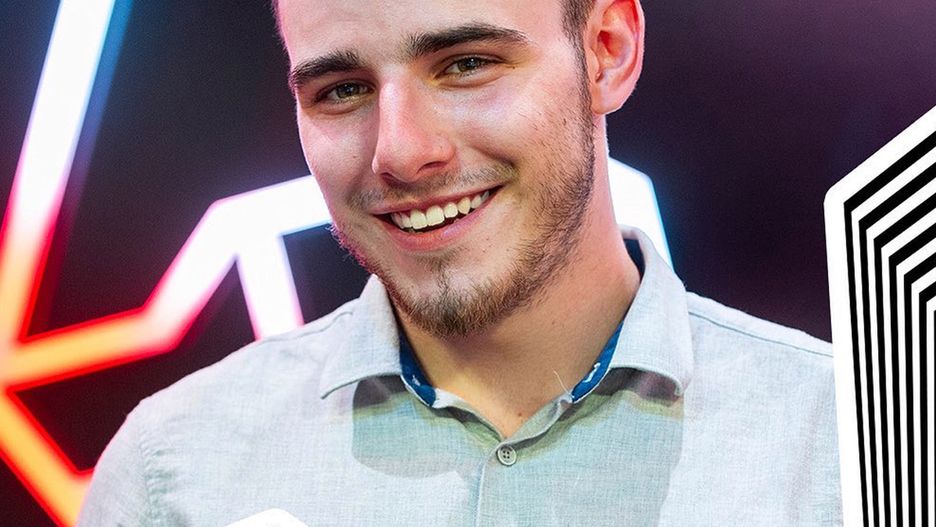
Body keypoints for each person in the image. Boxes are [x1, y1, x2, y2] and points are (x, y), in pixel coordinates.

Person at [78, 0, 841, 525]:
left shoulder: (850, 446)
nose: (401, 151)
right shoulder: (174, 472)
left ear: (608, 51)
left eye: (466, 63)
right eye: (342, 90)